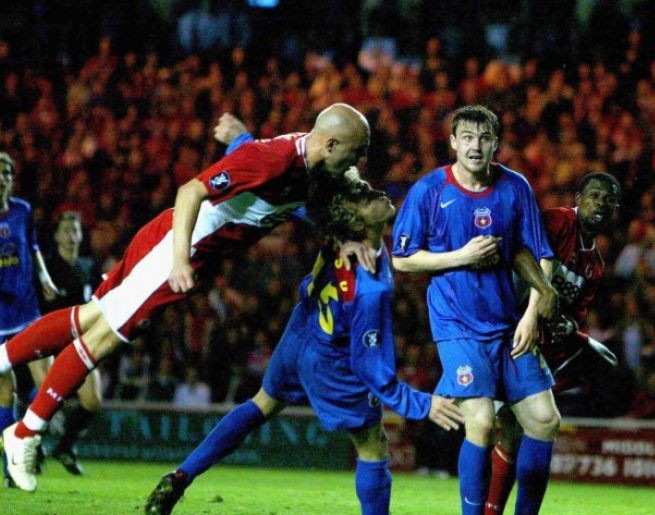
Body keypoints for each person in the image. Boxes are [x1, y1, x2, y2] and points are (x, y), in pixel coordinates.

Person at [0, 104, 375, 492]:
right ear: (331, 144)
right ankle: (26, 433)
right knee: (102, 339)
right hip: (179, 247)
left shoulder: (306, 167)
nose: (359, 161)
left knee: (91, 317)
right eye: (357, 151)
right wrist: (180, 260)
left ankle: (3, 363)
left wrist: (341, 238)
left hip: (178, 245)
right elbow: (191, 190)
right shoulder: (275, 160)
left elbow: (295, 200)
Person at [145, 187, 465, 515]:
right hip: (331, 359)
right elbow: (372, 369)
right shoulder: (370, 288)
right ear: (359, 221)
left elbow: (299, 201)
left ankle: (183, 474)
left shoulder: (336, 234)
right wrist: (423, 404)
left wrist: (337, 236)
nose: (376, 192)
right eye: (366, 198)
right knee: (372, 444)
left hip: (301, 333)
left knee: (262, 405)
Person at [391, 105, 567, 515]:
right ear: (453, 142)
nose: (475, 146)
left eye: (484, 138)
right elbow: (402, 258)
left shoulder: (515, 187)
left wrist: (532, 312)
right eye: (467, 137)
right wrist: (461, 256)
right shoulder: (429, 191)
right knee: (483, 421)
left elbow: (537, 253)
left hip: (509, 325)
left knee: (544, 420)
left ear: (496, 144)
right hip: (457, 326)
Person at [482, 171, 622, 515]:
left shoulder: (595, 266)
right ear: (578, 197)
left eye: (607, 200)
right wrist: (537, 301)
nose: (599, 203)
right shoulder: (558, 222)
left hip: (535, 342)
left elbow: (574, 312)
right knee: (530, 423)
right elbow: (522, 255)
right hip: (508, 327)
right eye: (593, 195)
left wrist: (569, 325)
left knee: (514, 431)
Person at [0, 152, 58, 484]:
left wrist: (45, 277)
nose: (2, 178)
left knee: (49, 382)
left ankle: (25, 434)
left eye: (7, 173)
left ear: (12, 179)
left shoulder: (22, 210)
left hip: (27, 311)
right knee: (4, 392)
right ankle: (10, 463)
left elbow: (33, 246)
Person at [39, 211, 103, 476]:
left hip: (79, 343)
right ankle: (32, 448)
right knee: (45, 399)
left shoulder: (89, 267)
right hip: (47, 342)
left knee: (92, 400)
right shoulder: (46, 268)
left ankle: (65, 446)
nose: (71, 236)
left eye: (75, 230)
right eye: (65, 230)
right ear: (56, 236)